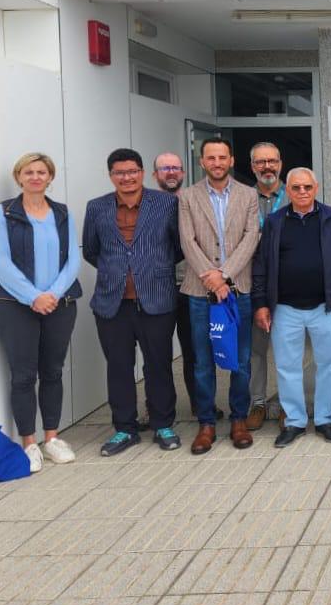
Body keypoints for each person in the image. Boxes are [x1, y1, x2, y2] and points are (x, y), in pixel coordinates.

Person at [83, 148, 183, 456]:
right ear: (111, 176)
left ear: (142, 173)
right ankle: (125, 428)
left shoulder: (166, 203)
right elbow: (91, 249)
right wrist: (118, 272)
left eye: (132, 171)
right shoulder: (97, 207)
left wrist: (151, 269)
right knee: (119, 367)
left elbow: (178, 247)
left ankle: (163, 424)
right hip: (112, 303)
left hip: (156, 298)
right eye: (120, 173)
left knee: (159, 365)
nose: (126, 177)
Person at [0, 152, 82, 472]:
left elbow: (72, 260)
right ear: (19, 177)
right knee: (24, 376)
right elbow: (1, 262)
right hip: (16, 307)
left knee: (53, 371)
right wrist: (33, 297)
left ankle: (51, 438)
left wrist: (52, 294)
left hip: (59, 304)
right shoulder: (2, 214)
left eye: (42, 172)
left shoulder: (62, 212)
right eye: (28, 172)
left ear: (50, 177)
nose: (36, 177)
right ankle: (29, 443)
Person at [252, 168, 331, 447]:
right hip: (285, 307)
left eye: (307, 187)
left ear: (316, 188)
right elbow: (261, 265)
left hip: (326, 306)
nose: (302, 192)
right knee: (287, 366)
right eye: (296, 187)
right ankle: (295, 422)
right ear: (287, 190)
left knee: (328, 364)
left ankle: (325, 420)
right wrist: (261, 303)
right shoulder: (275, 222)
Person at [178, 138, 260, 454]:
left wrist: (224, 275)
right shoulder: (188, 196)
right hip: (200, 292)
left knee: (241, 359)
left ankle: (239, 419)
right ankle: (207, 423)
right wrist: (211, 279)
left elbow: (251, 237)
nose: (217, 163)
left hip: (238, 289)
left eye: (222, 157)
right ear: (202, 162)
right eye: (211, 158)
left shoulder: (248, 195)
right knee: (202, 361)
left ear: (231, 160)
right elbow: (187, 241)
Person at [152, 152, 223, 421]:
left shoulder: (195, 201)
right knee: (157, 354)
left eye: (176, 168)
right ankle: (157, 408)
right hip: (156, 289)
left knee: (195, 351)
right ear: (155, 174)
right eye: (165, 168)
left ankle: (200, 404)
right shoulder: (147, 205)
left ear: (183, 172)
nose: (171, 172)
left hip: (190, 287)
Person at [246, 141, 289, 431]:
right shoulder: (242, 198)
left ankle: (288, 404)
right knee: (256, 350)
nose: (267, 167)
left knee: (288, 350)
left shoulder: (294, 194)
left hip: (287, 286)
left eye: (272, 161)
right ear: (252, 167)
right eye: (260, 162)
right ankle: (258, 403)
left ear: (280, 163)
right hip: (253, 284)